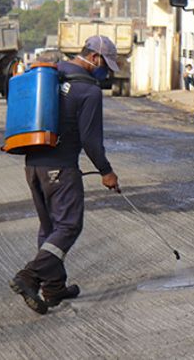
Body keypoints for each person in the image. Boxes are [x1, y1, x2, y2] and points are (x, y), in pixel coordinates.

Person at [10, 35, 121, 315]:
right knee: (69, 226)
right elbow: (91, 141)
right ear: (94, 58)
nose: (105, 71)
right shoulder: (89, 91)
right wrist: (106, 172)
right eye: (105, 64)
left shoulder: (51, 75)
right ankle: (29, 276)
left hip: (33, 164)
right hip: (61, 167)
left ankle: (54, 286)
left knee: (50, 228)